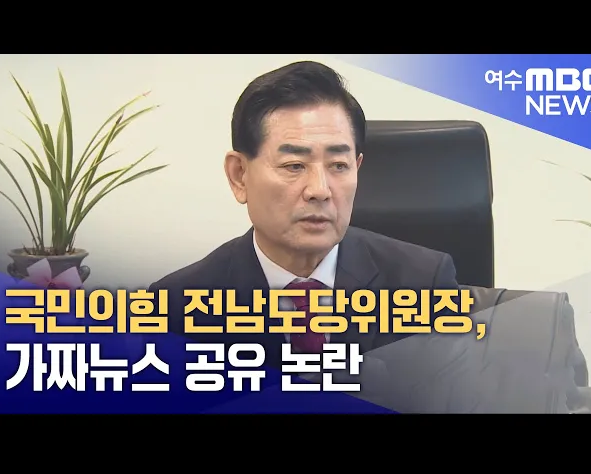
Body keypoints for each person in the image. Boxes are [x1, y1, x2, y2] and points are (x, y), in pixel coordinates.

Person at [149, 60, 484, 412]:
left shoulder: (423, 285)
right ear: (239, 175)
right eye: (294, 166)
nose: (320, 190)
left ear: (357, 168)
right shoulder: (176, 308)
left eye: (339, 166)